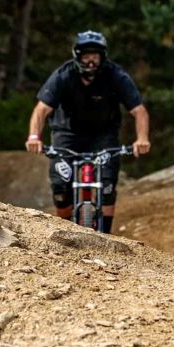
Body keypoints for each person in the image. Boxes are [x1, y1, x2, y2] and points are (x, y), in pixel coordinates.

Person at [25, 31, 150, 232]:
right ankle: (64, 231)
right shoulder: (63, 75)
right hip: (67, 134)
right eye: (86, 55)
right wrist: (33, 137)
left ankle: (106, 235)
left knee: (108, 185)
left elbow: (139, 111)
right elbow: (42, 110)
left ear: (103, 57)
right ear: (77, 55)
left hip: (103, 135)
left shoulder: (116, 75)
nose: (91, 61)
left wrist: (142, 139)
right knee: (61, 187)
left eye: (95, 56)